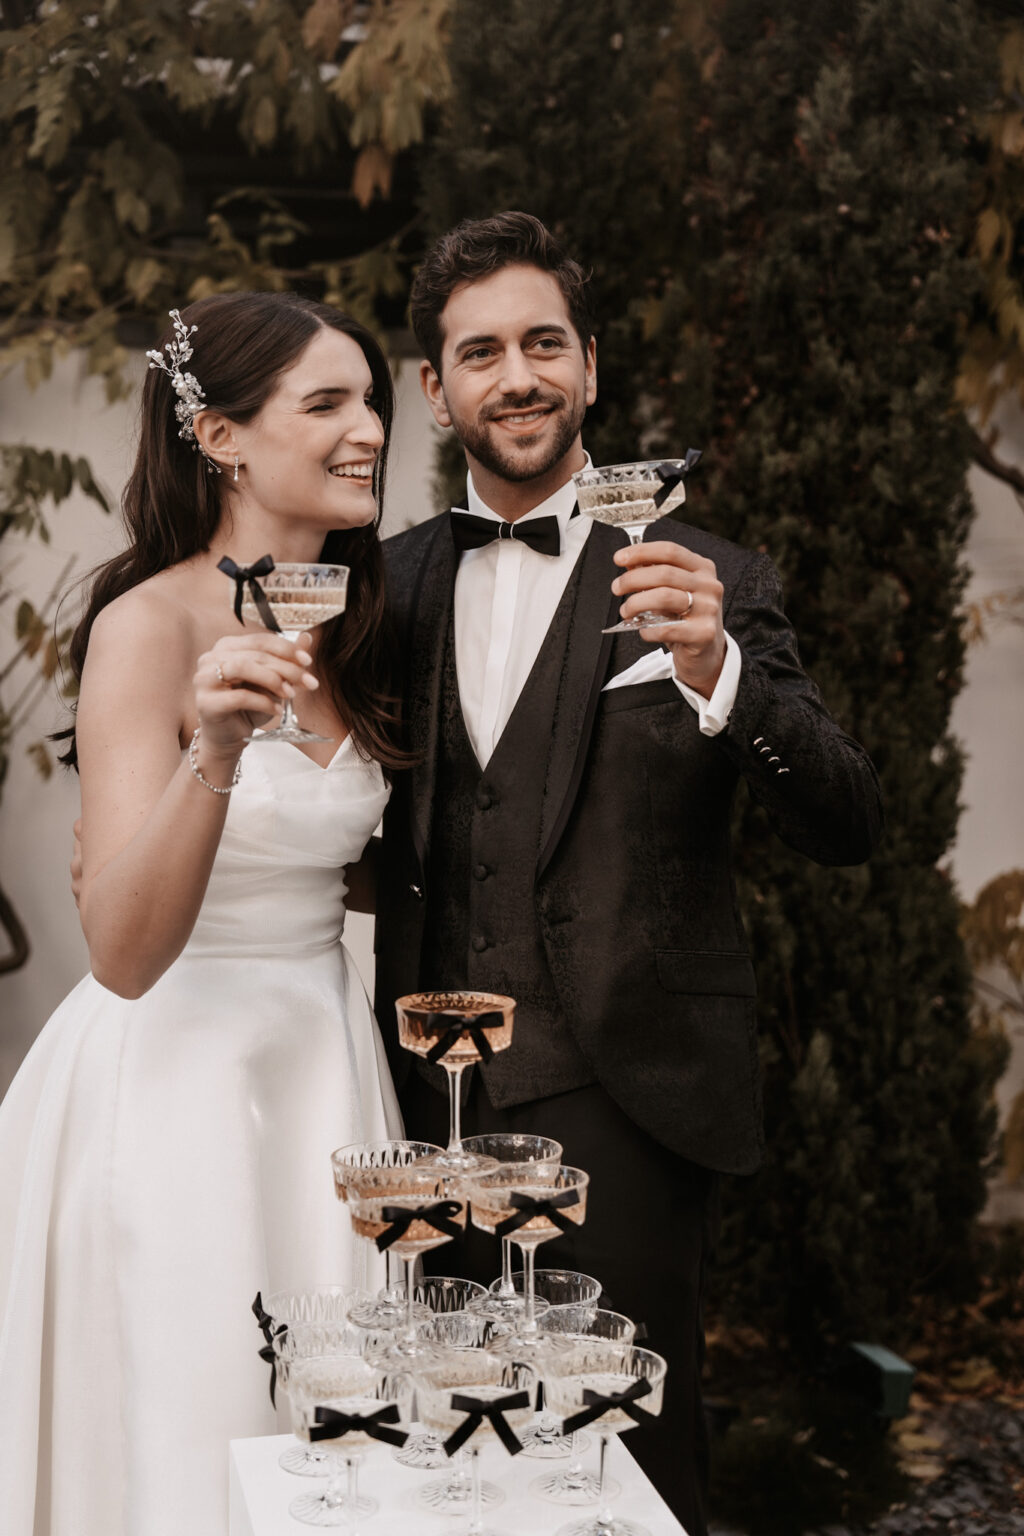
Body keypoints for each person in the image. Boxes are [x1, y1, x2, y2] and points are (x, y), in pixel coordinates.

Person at [373, 211, 884, 1535]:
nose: (518, 375)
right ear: (438, 389)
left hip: (633, 1106)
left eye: (544, 343)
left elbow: (847, 819)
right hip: (421, 1111)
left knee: (629, 1478)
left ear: (591, 366)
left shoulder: (712, 577)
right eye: (480, 352)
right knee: (445, 1467)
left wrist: (721, 678)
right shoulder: (387, 593)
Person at [0, 292, 406, 1536]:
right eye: (326, 403)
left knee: (336, 1439)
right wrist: (215, 755)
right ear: (221, 435)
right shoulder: (146, 624)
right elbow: (120, 948)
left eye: (372, 399)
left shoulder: (361, 616)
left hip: (328, 1072)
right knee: (192, 1426)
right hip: (178, 1087)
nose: (369, 430)